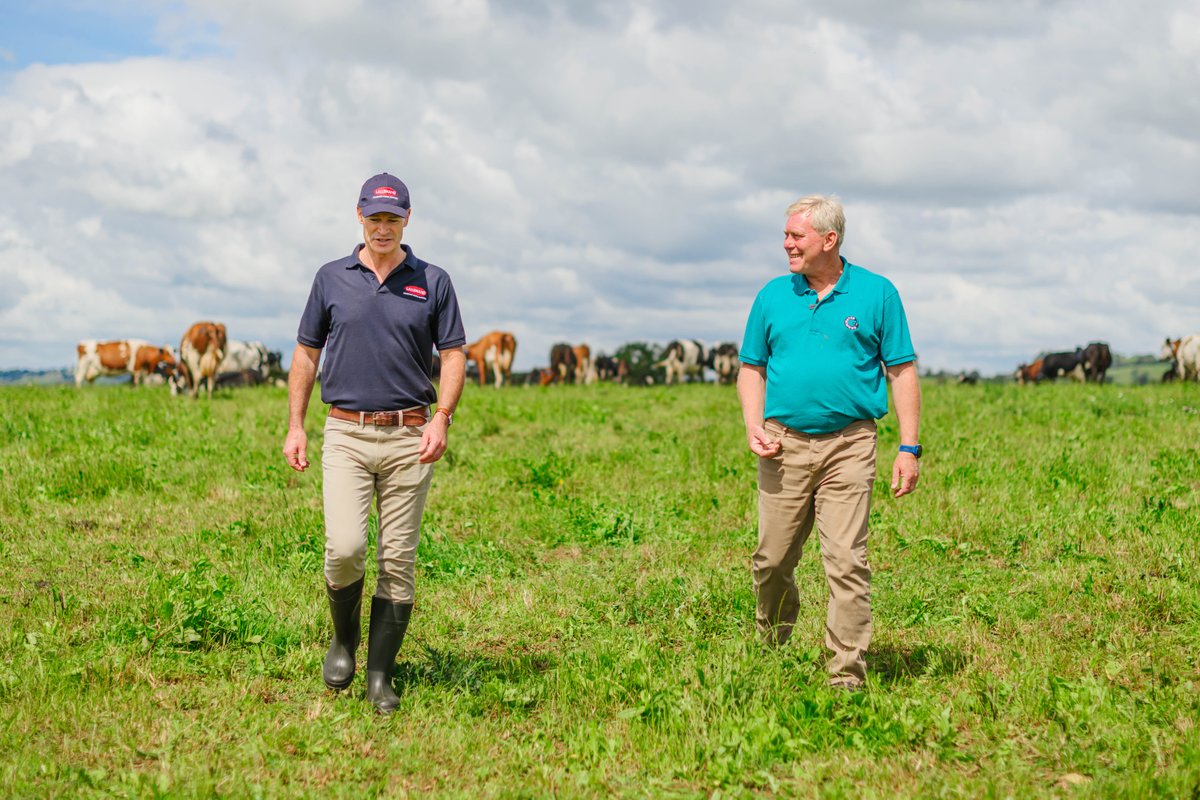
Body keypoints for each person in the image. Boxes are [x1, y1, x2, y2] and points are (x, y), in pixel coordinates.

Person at [283, 173, 467, 713]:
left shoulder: (432, 280)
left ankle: (380, 676)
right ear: (358, 216)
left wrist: (443, 417)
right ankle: (344, 641)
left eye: (392, 218)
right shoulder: (330, 278)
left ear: (407, 218)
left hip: (411, 434)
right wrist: (296, 424)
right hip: (344, 432)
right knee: (344, 549)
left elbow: (453, 355)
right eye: (374, 217)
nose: (382, 227)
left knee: (398, 559)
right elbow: (305, 355)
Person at [737, 195, 921, 690]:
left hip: (850, 445)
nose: (787, 243)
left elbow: (901, 370)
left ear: (829, 240)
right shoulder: (773, 296)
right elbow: (751, 368)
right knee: (771, 560)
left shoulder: (877, 293)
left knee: (845, 561)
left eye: (796, 236)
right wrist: (754, 423)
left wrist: (909, 447)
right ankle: (772, 643)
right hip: (782, 445)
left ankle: (845, 674)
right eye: (786, 235)